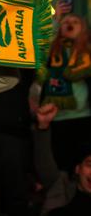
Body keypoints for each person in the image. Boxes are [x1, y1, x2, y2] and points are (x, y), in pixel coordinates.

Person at [27, 102, 91, 216]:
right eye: (89, 164)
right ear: (78, 169)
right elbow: (43, 162)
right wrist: (43, 126)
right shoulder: (60, 184)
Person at [36, 13, 91, 171]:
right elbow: (40, 46)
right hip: (57, 118)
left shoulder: (87, 52)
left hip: (84, 117)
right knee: (61, 167)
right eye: (66, 22)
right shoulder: (51, 49)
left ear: (83, 28)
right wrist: (56, 20)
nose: (70, 24)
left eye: (75, 22)